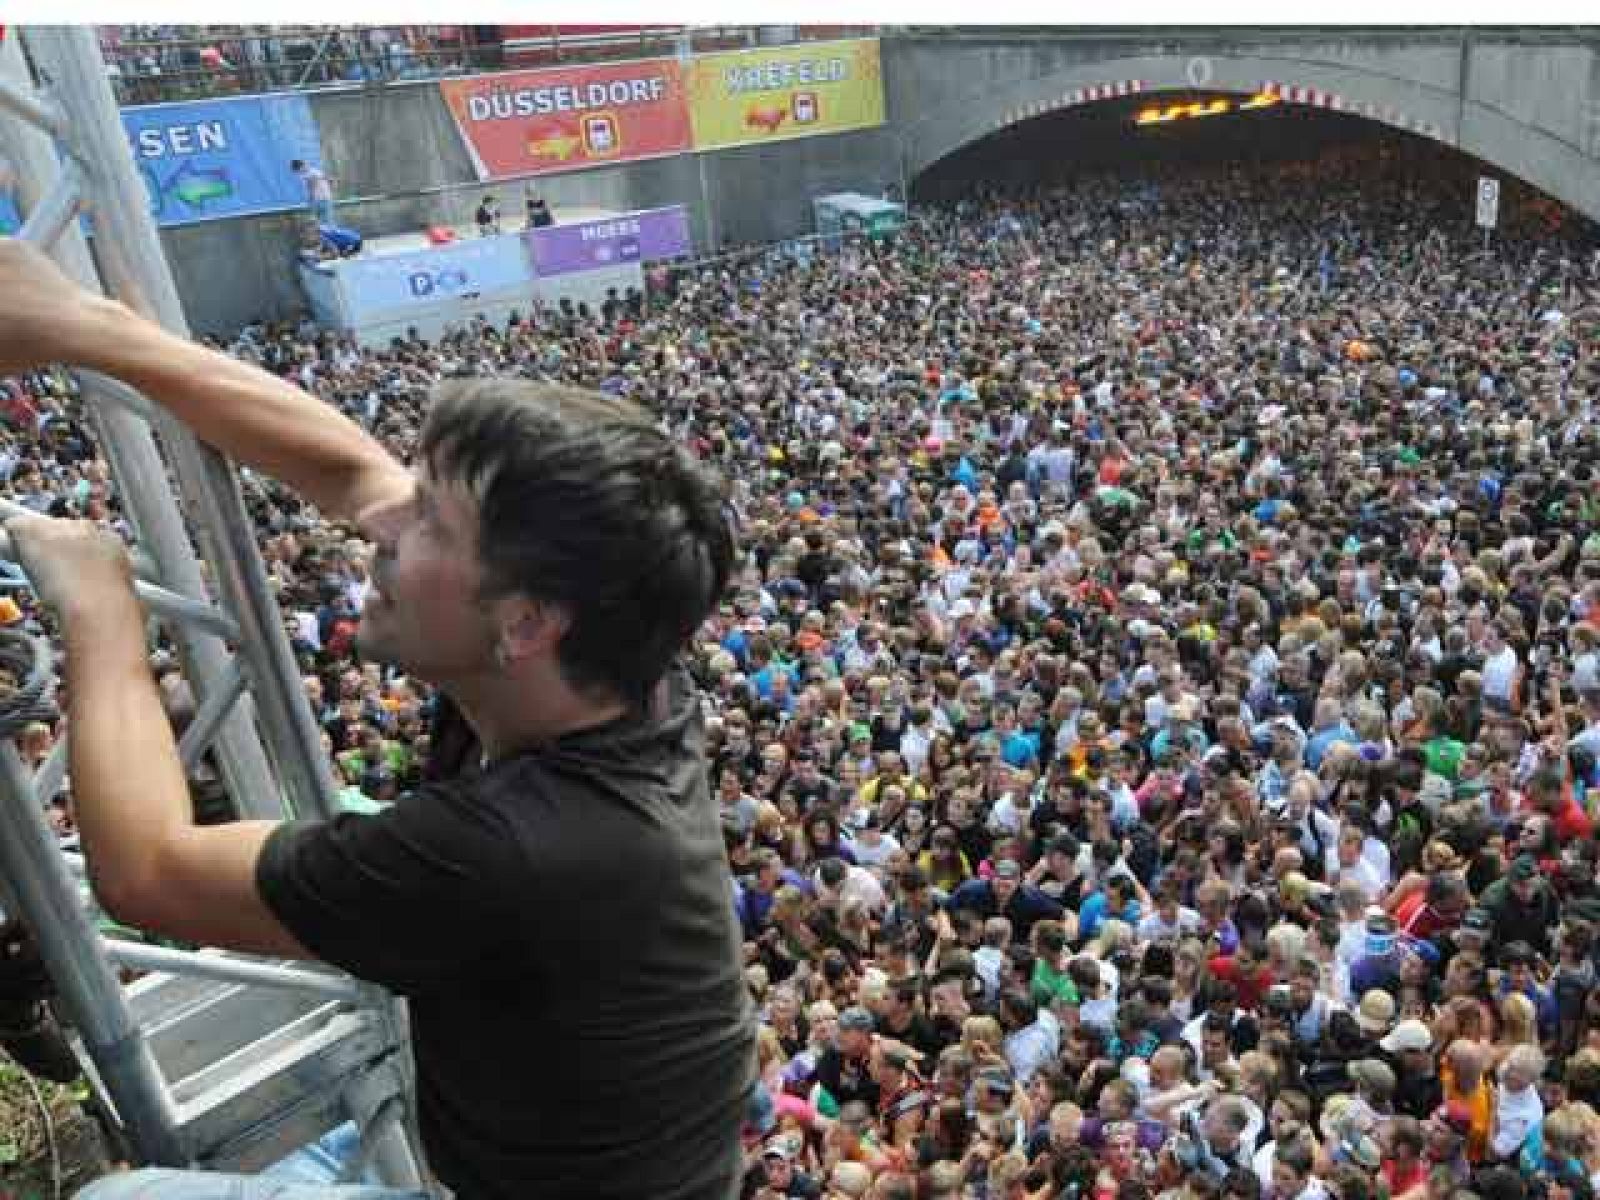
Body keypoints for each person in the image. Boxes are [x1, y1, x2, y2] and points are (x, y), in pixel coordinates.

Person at [0, 239, 753, 1199]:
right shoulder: (606, 663)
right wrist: (90, 331)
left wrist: (103, 610)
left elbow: (147, 871)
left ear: (523, 623)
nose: (385, 527)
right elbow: (354, 472)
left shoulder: (521, 849)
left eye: (431, 523)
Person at [290, 158, 334, 226]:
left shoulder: (313, 172)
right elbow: (310, 188)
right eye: (297, 172)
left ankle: (330, 231)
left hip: (324, 199)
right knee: (320, 222)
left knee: (327, 221)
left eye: (298, 170)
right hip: (318, 199)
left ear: (301, 167)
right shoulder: (305, 175)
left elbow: (313, 184)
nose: (298, 172)